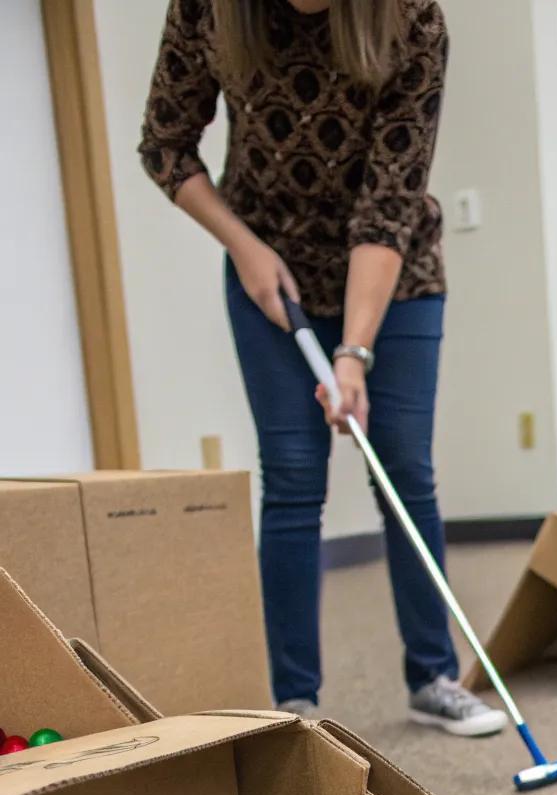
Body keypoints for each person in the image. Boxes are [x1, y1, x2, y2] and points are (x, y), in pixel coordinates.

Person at [139, 0, 506, 736]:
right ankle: (296, 702)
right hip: (269, 274)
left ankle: (433, 676)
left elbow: (390, 199)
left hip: (395, 280)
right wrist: (244, 246)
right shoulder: (207, 7)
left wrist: (354, 353)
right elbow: (166, 147)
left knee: (403, 469)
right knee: (294, 478)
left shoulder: (412, 17)